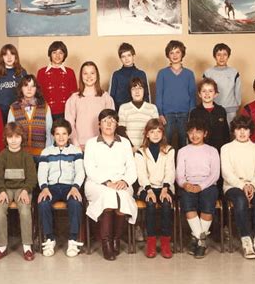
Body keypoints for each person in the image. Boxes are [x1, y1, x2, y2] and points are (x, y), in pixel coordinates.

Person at [84, 109, 138, 261]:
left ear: (117, 124)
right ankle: (106, 243)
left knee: (122, 197)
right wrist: (107, 182)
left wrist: (125, 181)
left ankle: (116, 239)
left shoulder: (125, 143)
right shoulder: (91, 143)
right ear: (99, 124)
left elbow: (131, 167)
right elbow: (90, 168)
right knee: (108, 196)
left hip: (121, 181)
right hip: (97, 183)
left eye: (112, 121)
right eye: (105, 121)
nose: (109, 124)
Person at [221, 115, 255, 259]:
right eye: (238, 129)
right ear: (233, 131)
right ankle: (246, 241)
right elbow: (226, 173)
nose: (242, 132)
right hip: (233, 185)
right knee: (240, 201)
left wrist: (252, 186)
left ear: (250, 131)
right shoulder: (226, 148)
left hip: (254, 184)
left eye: (245, 129)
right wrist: (242, 185)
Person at [37, 119, 85, 257]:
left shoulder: (75, 151)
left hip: (69, 187)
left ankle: (73, 240)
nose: (61, 137)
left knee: (75, 203)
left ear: (69, 134)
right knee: (43, 203)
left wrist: (76, 187)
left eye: (64, 133)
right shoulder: (46, 152)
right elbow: (42, 172)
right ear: (53, 135)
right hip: (51, 187)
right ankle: (50, 238)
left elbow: (80, 171)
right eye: (57, 134)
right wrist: (44, 187)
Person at [0, 122, 37, 261]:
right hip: (6, 189)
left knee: (24, 210)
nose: (13, 140)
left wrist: (26, 190)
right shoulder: (2, 156)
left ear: (21, 138)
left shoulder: (26, 156)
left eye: (17, 137)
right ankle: (2, 246)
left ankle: (27, 246)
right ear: (5, 138)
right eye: (10, 137)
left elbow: (32, 178)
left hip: (22, 189)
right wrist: (1, 191)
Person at [176, 119, 220, 259]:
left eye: (198, 132)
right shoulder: (183, 151)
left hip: (207, 185)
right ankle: (201, 241)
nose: (194, 135)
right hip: (189, 184)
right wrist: (185, 184)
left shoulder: (212, 151)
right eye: (191, 132)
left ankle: (198, 241)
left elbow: (215, 174)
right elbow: (179, 175)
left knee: (208, 205)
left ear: (205, 133)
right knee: (188, 205)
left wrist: (201, 186)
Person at [134, 118, 175, 258]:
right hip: (147, 187)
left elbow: (170, 171)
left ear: (163, 133)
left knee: (166, 203)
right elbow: (141, 174)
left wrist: (165, 188)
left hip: (165, 186)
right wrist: (149, 190)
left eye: (159, 131)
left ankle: (165, 242)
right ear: (147, 134)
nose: (156, 134)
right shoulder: (140, 152)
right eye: (152, 131)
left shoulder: (169, 150)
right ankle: (151, 242)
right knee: (150, 204)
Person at [156, 40, 196, 150]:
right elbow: (159, 94)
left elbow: (192, 96)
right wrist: (160, 113)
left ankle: (183, 166)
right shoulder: (162, 73)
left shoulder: (189, 74)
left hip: (185, 114)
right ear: (168, 55)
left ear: (182, 53)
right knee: (165, 143)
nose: (175, 55)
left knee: (184, 143)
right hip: (167, 115)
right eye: (171, 53)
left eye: (177, 52)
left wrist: (191, 115)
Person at [65, 61, 115, 151]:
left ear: (97, 75)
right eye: (85, 73)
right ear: (81, 76)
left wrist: (106, 143)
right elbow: (69, 123)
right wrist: (76, 143)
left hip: (101, 145)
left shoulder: (106, 97)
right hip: (80, 146)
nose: (89, 77)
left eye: (92, 73)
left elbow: (111, 123)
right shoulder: (74, 98)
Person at [7, 74, 52, 157]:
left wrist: (47, 153)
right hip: (20, 155)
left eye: (32, 86)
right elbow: (10, 132)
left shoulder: (44, 107)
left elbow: (49, 132)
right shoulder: (14, 108)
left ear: (36, 89)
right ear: (21, 88)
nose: (29, 89)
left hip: (41, 154)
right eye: (26, 85)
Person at [36, 41, 77, 121]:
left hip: (66, 113)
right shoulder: (41, 72)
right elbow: (38, 95)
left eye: (61, 53)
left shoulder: (70, 72)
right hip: (46, 113)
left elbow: (74, 95)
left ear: (64, 55)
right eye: (54, 52)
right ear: (50, 54)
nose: (57, 56)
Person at [203, 43, 242, 124]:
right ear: (214, 56)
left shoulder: (234, 72)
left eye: (225, 54)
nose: (222, 57)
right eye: (218, 55)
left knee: (230, 131)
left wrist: (237, 104)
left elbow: (237, 90)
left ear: (228, 56)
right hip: (213, 108)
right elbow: (204, 91)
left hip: (230, 108)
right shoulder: (208, 73)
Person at [188, 78, 230, 152]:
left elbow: (226, 133)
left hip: (219, 149)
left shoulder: (221, 111)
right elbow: (191, 134)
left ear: (216, 94)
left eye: (210, 91)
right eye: (204, 91)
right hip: (200, 150)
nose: (207, 94)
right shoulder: (194, 112)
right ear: (199, 94)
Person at [118, 77, 159, 150]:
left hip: (147, 149)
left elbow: (156, 130)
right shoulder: (123, 108)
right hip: (129, 149)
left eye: (140, 88)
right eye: (133, 89)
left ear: (144, 91)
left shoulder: (152, 108)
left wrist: (146, 147)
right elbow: (121, 130)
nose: (137, 92)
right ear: (130, 91)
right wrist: (131, 147)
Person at [0, 44, 27, 123]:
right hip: (1, 108)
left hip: (17, 108)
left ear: (15, 57)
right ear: (2, 57)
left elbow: (25, 92)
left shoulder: (22, 72)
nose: (9, 57)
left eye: (12, 54)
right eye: (6, 55)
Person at [109, 43, 149, 112]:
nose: (126, 59)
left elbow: (146, 96)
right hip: (120, 112)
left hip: (139, 112)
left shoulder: (141, 74)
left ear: (133, 56)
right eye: (123, 56)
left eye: (129, 55)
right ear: (120, 58)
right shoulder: (116, 75)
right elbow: (111, 97)